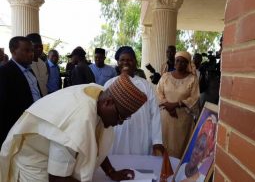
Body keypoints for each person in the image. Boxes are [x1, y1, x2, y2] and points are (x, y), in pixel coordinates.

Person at [0, 73, 147, 182]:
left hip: (52, 162)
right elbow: (57, 179)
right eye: (121, 117)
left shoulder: (99, 95)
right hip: (34, 166)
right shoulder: (76, 122)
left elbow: (96, 143)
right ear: (108, 103)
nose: (119, 123)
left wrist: (111, 172)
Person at [105, 46, 164, 155]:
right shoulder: (109, 84)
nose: (126, 63)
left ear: (135, 62)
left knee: (139, 166)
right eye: (122, 60)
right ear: (118, 63)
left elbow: (154, 113)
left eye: (129, 60)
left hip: (141, 134)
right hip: (118, 135)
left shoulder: (145, 85)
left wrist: (157, 141)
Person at [156, 51, 200, 158]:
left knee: (179, 146)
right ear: (174, 62)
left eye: (183, 61)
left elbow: (194, 98)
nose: (180, 63)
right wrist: (168, 106)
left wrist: (177, 104)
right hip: (166, 117)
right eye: (178, 60)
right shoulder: (165, 76)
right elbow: (158, 92)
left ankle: (177, 171)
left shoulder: (193, 79)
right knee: (164, 142)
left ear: (188, 64)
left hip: (182, 119)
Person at [0, 36, 41, 146]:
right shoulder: (4, 72)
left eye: (32, 50)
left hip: (35, 124)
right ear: (13, 51)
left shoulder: (30, 70)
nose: (31, 54)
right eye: (27, 50)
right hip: (17, 129)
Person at [175, 115, 217, 182]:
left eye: (201, 149)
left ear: (204, 155)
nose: (196, 152)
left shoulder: (201, 179)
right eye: (197, 145)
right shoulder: (183, 167)